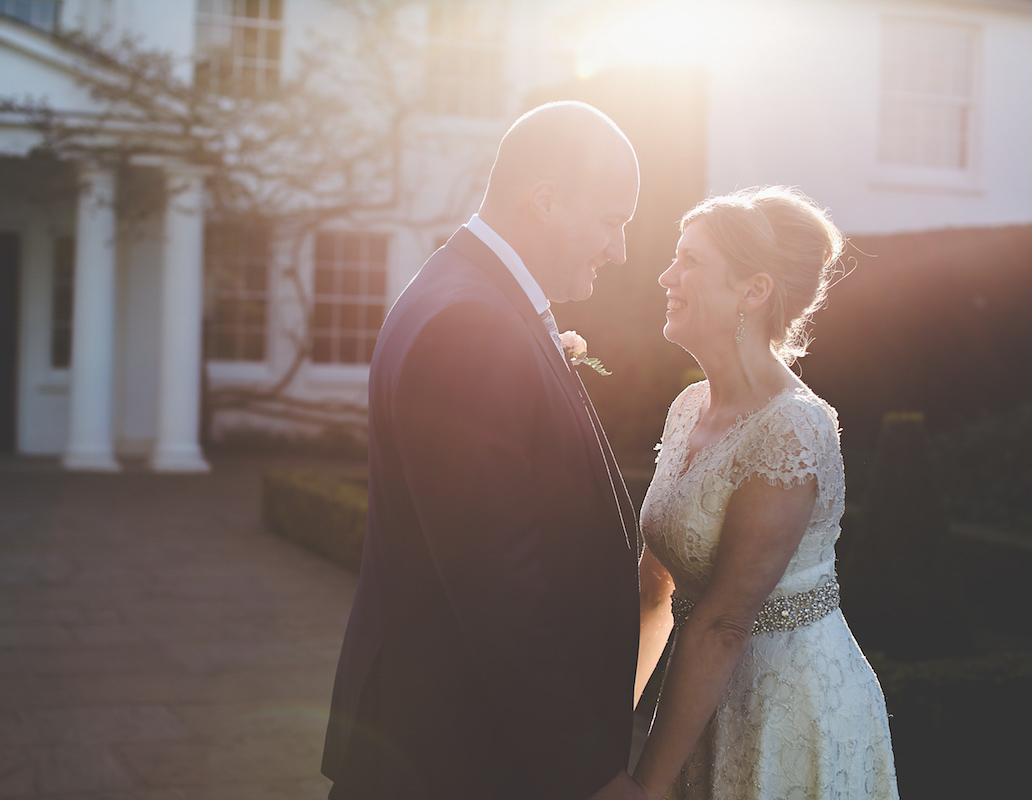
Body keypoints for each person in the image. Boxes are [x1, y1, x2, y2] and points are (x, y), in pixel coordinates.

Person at [322, 101, 647, 800]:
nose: (618, 249)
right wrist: (588, 774)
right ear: (546, 201)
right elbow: (499, 584)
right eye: (612, 219)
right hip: (462, 756)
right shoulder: (471, 323)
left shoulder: (469, 295)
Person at [632, 187, 898, 799]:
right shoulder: (687, 407)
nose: (667, 275)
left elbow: (725, 621)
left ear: (753, 291)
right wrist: (603, 732)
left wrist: (641, 788)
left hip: (788, 715)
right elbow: (654, 587)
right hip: (696, 702)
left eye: (690, 260)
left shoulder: (794, 426)